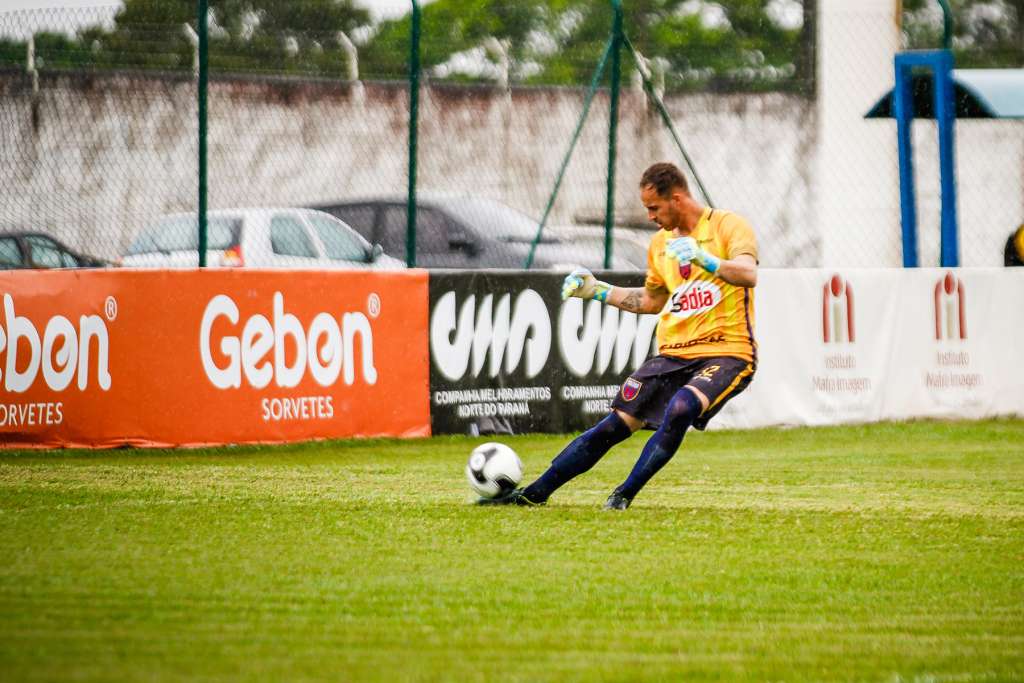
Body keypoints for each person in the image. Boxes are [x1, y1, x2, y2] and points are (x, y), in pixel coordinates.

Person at [480, 162, 758, 510]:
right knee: (613, 426)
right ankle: (534, 494)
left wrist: (707, 260)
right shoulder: (660, 245)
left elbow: (748, 274)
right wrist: (597, 291)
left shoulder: (728, 226)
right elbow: (651, 301)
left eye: (653, 207)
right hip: (673, 354)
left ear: (676, 198)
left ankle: (622, 495)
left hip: (727, 353)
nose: (650, 216)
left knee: (681, 408)